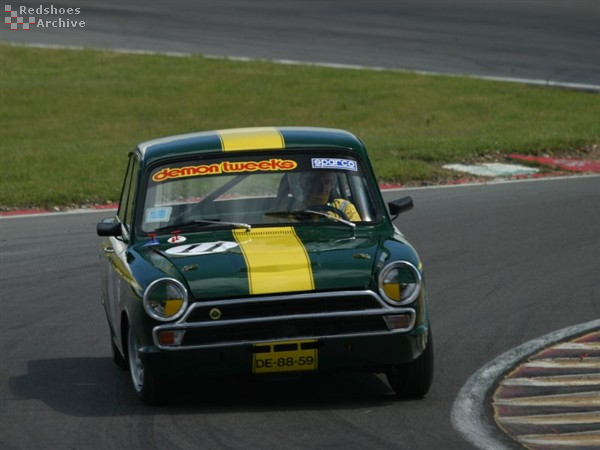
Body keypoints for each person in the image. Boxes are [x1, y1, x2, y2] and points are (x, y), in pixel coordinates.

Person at [297, 172, 362, 222]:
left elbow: (358, 233)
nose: (323, 188)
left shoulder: (344, 207)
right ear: (307, 184)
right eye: (317, 182)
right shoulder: (294, 209)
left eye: (327, 182)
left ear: (332, 185)